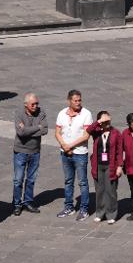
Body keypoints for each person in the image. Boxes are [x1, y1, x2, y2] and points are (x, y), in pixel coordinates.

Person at [55, 90, 93, 221]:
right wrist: (63, 145)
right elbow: (57, 132)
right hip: (65, 153)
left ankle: (84, 209)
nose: (78, 103)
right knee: (68, 181)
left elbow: (86, 136)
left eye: (79, 100)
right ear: (69, 101)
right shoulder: (62, 113)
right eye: (75, 100)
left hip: (80, 153)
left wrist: (69, 146)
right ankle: (69, 207)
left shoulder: (86, 114)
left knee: (82, 182)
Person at [12, 93, 48, 216]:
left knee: (31, 179)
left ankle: (28, 202)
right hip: (20, 151)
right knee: (18, 180)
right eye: (33, 104)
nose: (35, 106)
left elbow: (45, 130)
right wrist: (37, 127)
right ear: (26, 104)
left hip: (35, 151)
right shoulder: (19, 113)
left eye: (37, 103)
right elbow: (21, 133)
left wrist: (27, 129)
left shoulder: (41, 112)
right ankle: (17, 204)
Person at [87, 110, 123, 224]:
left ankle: (111, 213)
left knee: (111, 190)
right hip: (98, 165)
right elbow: (88, 130)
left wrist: (119, 166)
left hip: (110, 165)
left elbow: (119, 151)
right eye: (105, 120)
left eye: (108, 120)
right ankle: (100, 213)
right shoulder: (97, 132)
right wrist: (99, 122)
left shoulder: (116, 133)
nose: (107, 122)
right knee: (99, 190)